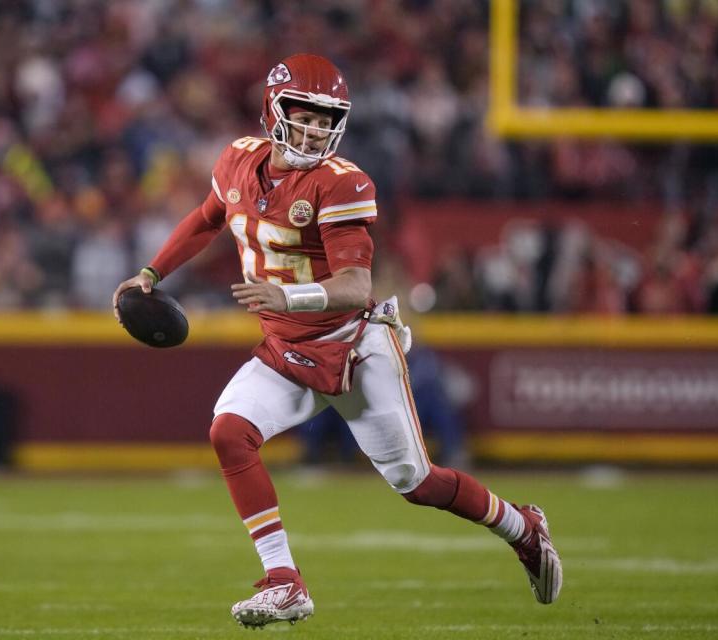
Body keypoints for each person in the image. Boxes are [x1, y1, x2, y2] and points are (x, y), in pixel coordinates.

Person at [113, 54, 562, 629]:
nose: (317, 130)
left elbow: (355, 287)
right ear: (274, 111)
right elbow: (207, 218)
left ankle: (523, 528)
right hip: (286, 349)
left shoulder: (341, 182)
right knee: (230, 430)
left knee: (417, 483)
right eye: (306, 115)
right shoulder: (236, 162)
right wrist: (150, 273)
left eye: (328, 119)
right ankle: (284, 581)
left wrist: (288, 299)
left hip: (354, 344)